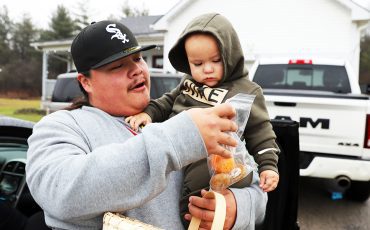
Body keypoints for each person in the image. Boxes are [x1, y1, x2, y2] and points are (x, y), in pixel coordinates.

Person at [25, 20, 267, 230]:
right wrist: (181, 138)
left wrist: (235, 209)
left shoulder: (178, 115)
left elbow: (257, 194)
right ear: (86, 82)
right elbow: (62, 193)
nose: (137, 70)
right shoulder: (62, 125)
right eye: (118, 66)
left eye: (138, 58)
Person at [125, 13, 280, 227]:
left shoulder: (246, 90)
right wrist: (148, 113)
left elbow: (261, 132)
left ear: (231, 55)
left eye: (216, 61)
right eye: (197, 63)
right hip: (177, 148)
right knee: (188, 203)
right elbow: (166, 102)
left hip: (216, 158)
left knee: (200, 200)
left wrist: (268, 166)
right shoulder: (188, 83)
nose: (207, 69)